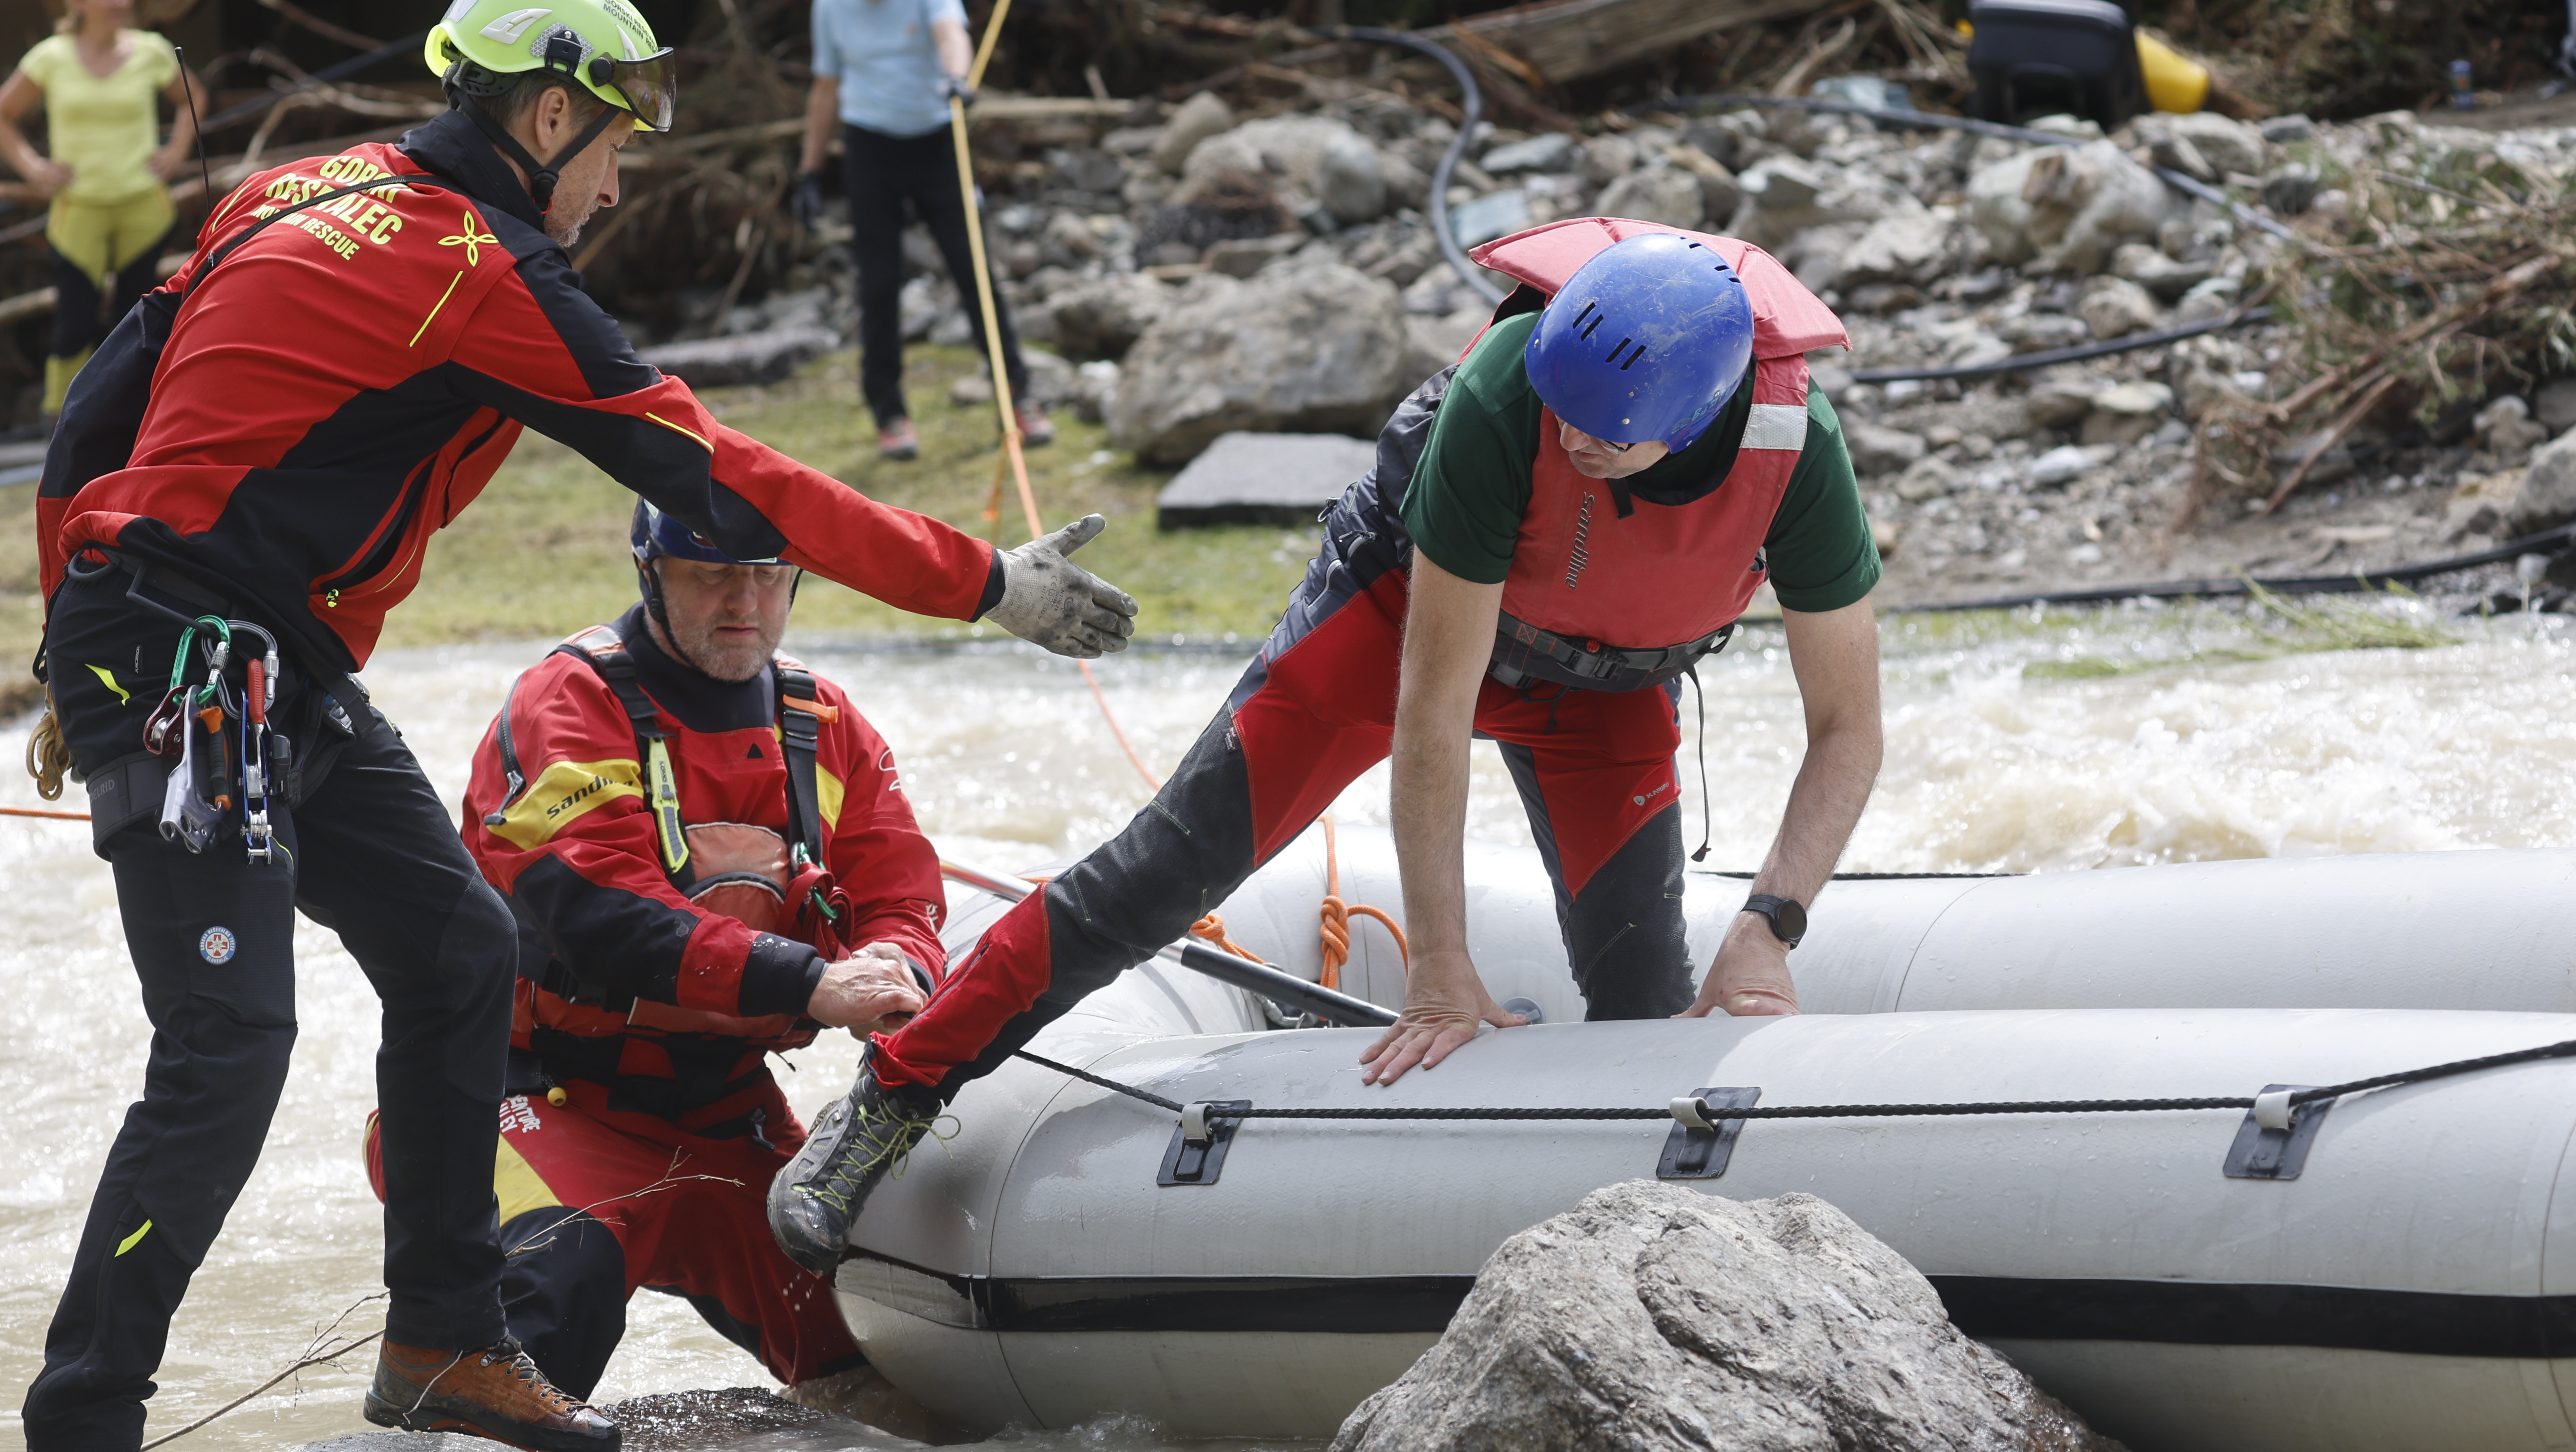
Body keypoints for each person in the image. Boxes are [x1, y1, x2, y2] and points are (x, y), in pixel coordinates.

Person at [21, 0, 1134, 1452]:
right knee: (228, 1042)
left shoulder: (305, 183)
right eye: (613, 139)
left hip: (246, 652)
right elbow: (726, 469)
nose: (620, 176)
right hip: (186, 657)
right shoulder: (474, 265)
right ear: (545, 112)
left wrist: (66, 609)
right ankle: (79, 1448)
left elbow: (95, 413)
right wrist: (987, 586)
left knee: (459, 946)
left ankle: (445, 1342)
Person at [767, 218, 1886, 1275]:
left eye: (1609, 431)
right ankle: (894, 1094)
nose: (1573, 437)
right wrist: (1439, 963)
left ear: (1692, 419)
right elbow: (1433, 712)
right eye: (1562, 407)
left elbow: (1848, 727)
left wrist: (1770, 925)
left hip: (1604, 690)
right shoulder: (1507, 400)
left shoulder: (1798, 448)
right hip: (1399, 621)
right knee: (1167, 866)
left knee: (1645, 989)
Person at [375, 500, 951, 1439]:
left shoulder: (825, 720)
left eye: (768, 576)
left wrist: (898, 960)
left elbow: (901, 882)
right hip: (534, 1101)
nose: (745, 602)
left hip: (725, 1116)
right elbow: (598, 914)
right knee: (559, 1293)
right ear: (652, 574)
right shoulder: (567, 701)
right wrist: (815, 984)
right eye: (711, 575)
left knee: (896, 1373)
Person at [790, 0, 1041, 462]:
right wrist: (809, 172)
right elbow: (826, 87)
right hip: (870, 148)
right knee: (878, 284)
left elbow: (952, 33)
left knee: (973, 269)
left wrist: (958, 78)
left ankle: (1018, 398)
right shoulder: (832, 0)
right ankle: (890, 414)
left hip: (935, 141)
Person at [0, 0, 206, 421]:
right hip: (78, 210)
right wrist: (33, 166)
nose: (120, 1)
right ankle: (58, 419)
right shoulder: (51, 56)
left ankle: (137, 416)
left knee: (138, 318)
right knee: (76, 321)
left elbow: (193, 98)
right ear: (79, 0)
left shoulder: (152, 50)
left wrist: (177, 149)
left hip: (142, 207)